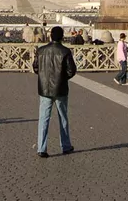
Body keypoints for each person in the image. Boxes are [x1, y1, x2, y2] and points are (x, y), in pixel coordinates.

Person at [33, 26, 76, 158]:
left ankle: (41, 148)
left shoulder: (41, 51)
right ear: (62, 37)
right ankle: (66, 145)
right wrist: (61, 79)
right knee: (63, 118)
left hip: (45, 89)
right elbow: (71, 71)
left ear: (50, 36)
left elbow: (35, 68)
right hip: (61, 89)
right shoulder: (65, 51)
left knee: (43, 119)